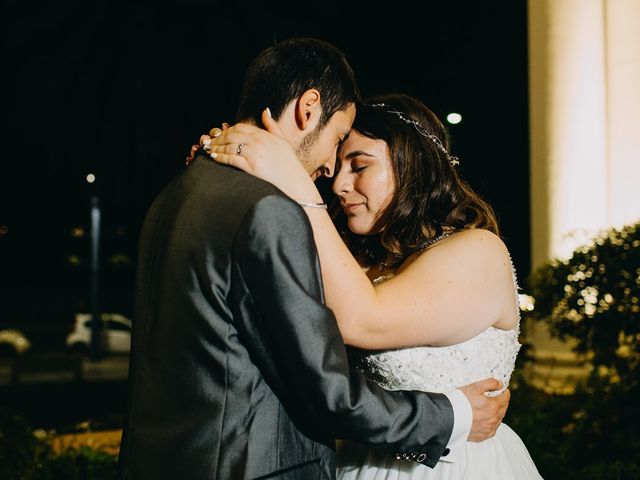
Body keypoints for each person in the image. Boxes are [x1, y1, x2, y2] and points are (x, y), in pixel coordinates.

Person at [117, 38, 509, 480]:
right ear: (308, 109)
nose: (332, 178)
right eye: (338, 142)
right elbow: (329, 384)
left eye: (357, 164)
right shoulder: (266, 210)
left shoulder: (175, 194)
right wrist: (451, 415)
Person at [203, 93, 542, 478]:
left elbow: (363, 319)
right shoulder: (360, 260)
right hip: (355, 463)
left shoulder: (477, 250)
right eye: (338, 167)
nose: (339, 185)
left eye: (359, 165)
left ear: (412, 165)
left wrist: (296, 184)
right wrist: (232, 164)